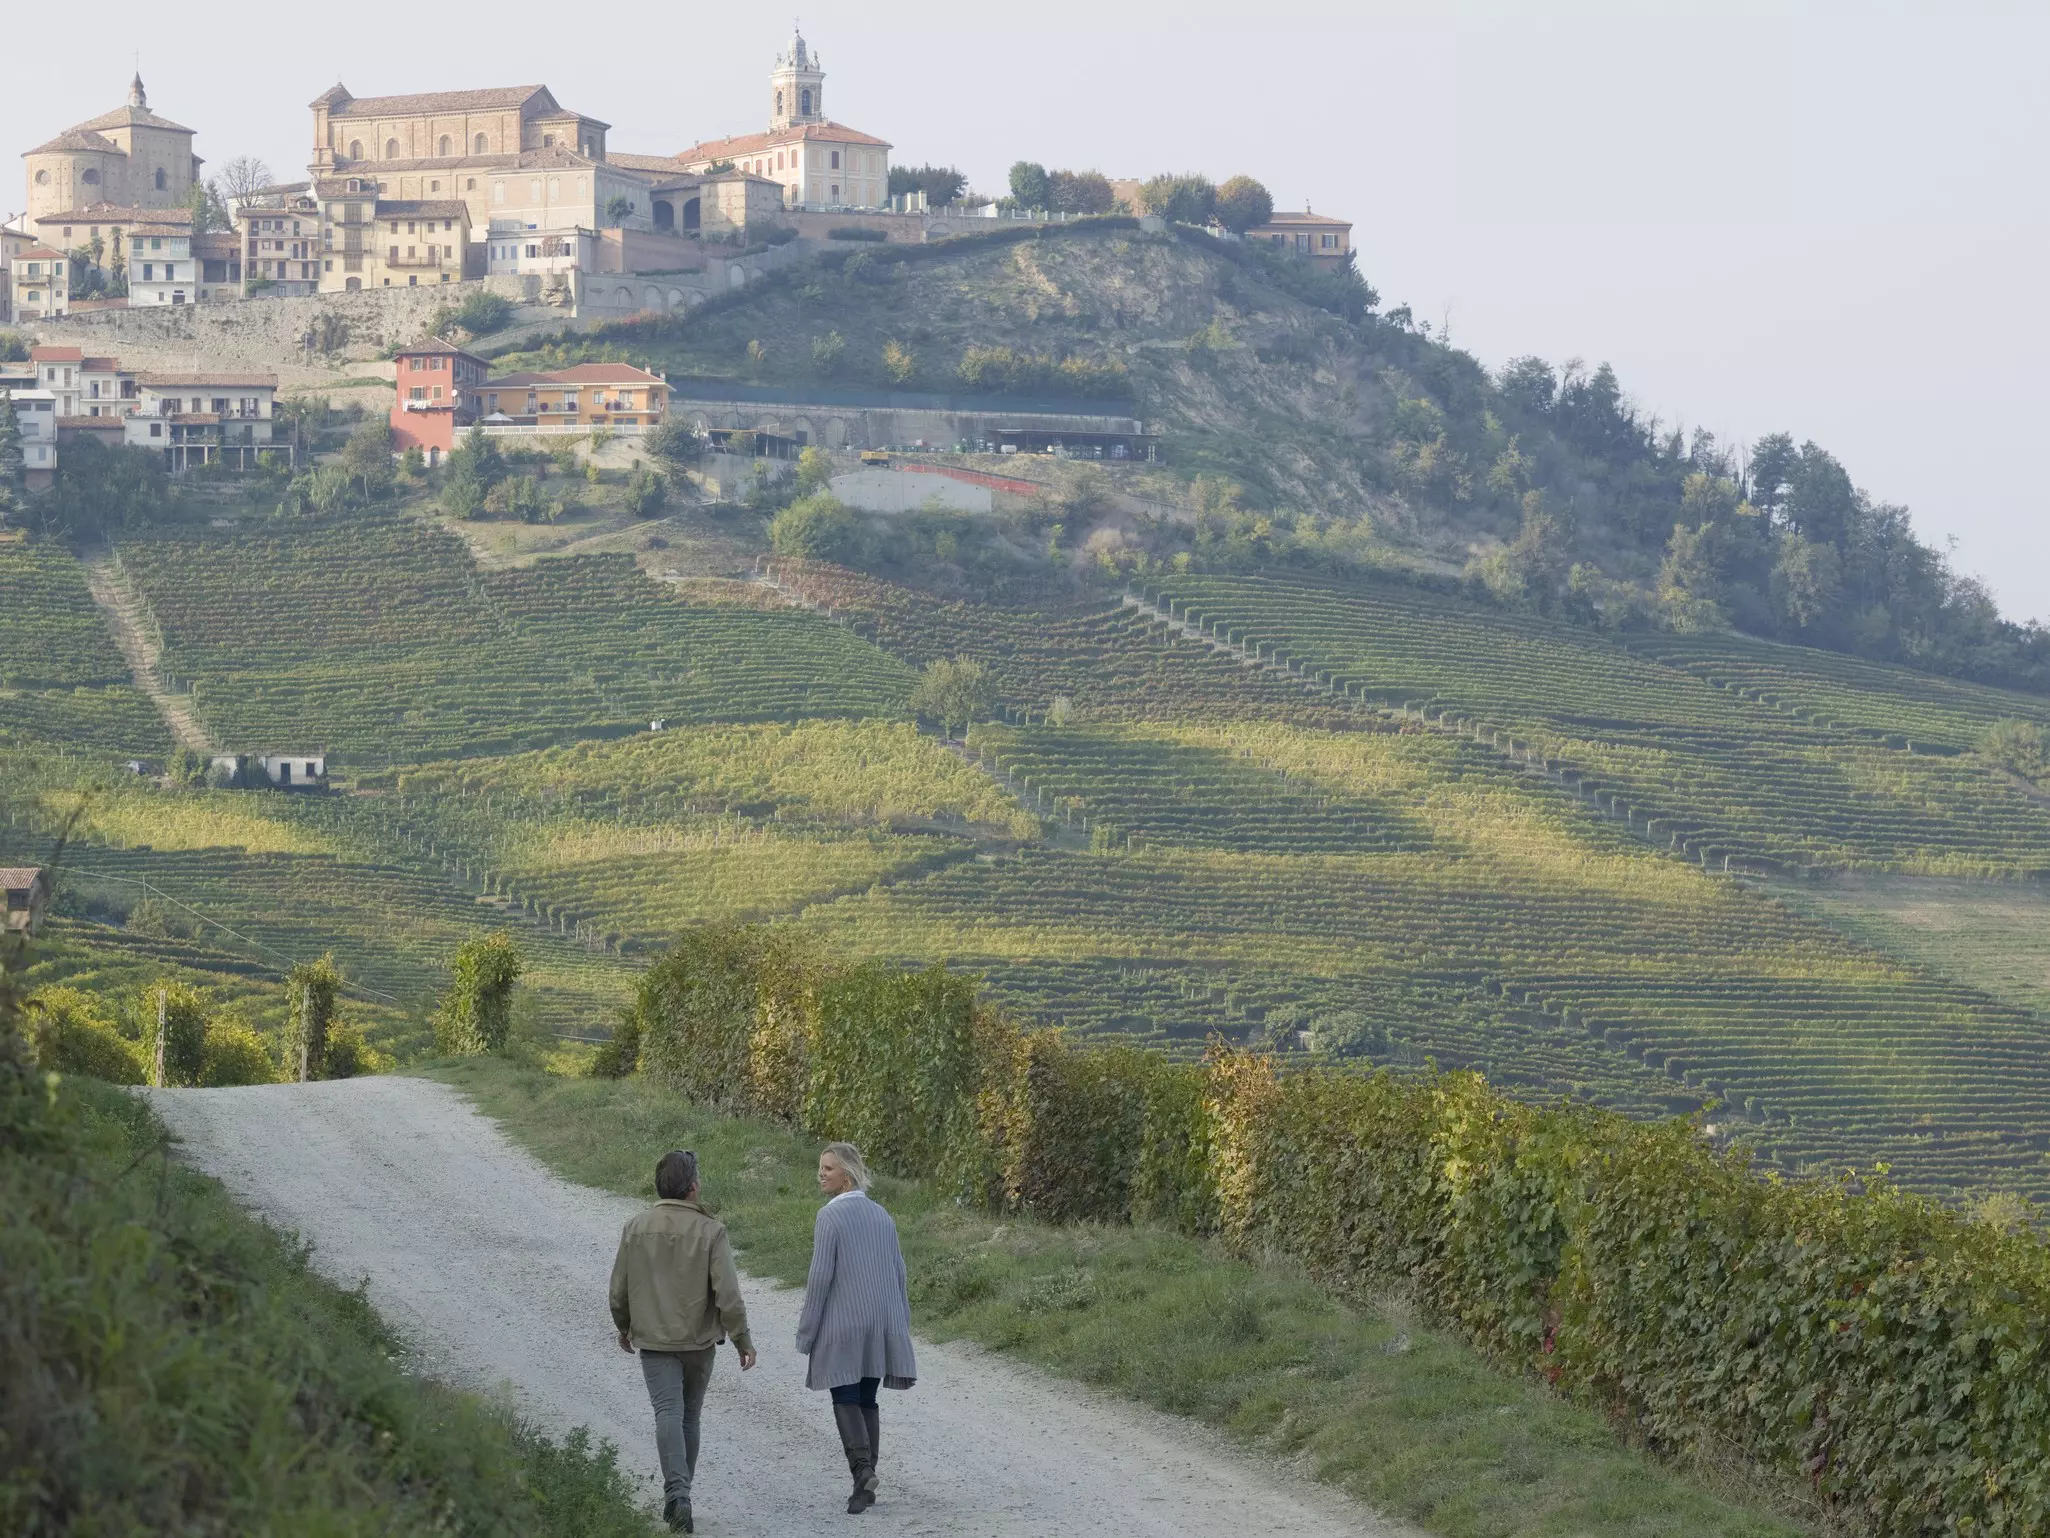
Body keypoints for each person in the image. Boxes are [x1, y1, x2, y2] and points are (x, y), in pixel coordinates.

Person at [610, 1149, 757, 1533]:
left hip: (655, 1341)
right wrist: (742, 1338)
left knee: (667, 1413)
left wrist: (624, 1326)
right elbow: (728, 1293)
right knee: (690, 1416)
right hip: (698, 1341)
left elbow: (619, 1290)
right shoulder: (712, 1231)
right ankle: (681, 1493)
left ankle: (677, 1495)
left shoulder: (636, 1227)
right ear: (692, 1188)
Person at [795, 1141, 917, 1515]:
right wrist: (901, 1325)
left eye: (828, 1169)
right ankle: (865, 1485)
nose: (821, 1174)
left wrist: (807, 1332)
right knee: (867, 1399)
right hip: (881, 1322)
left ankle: (863, 1471)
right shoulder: (883, 1215)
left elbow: (820, 1279)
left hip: (845, 1323)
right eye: (821, 1167)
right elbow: (899, 1273)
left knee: (845, 1397)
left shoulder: (829, 1217)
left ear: (846, 1175)